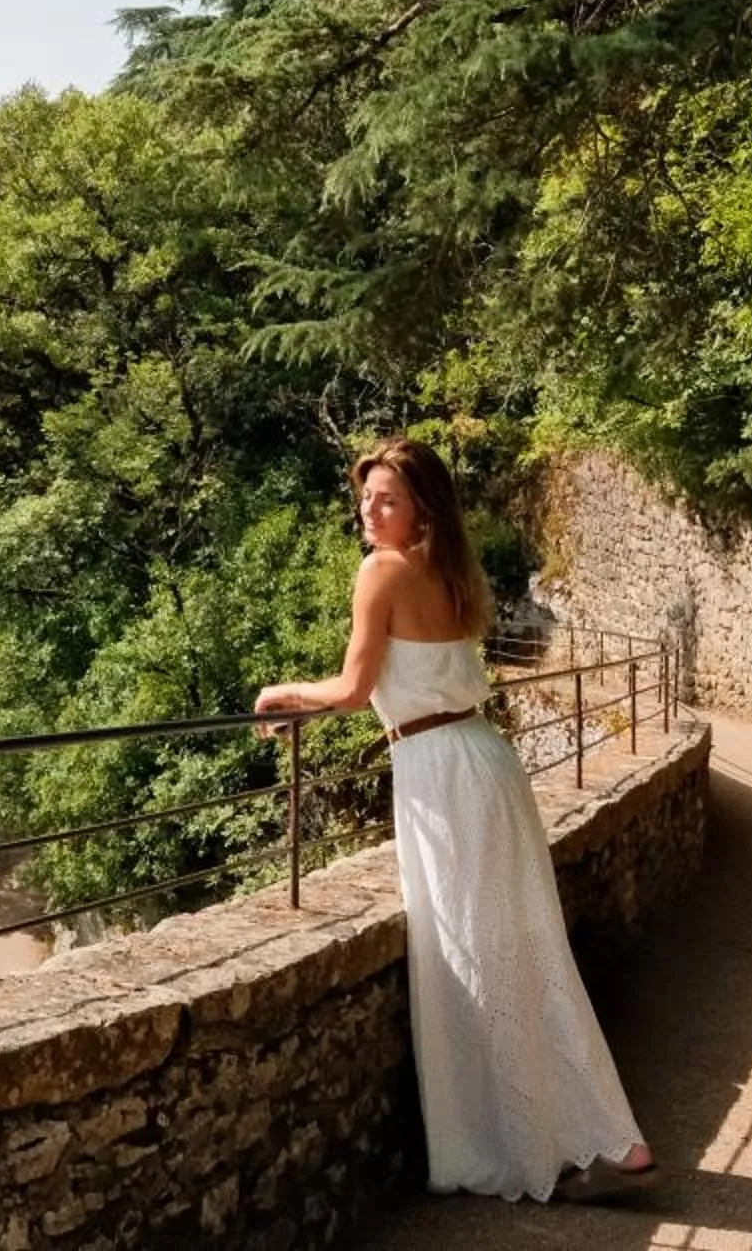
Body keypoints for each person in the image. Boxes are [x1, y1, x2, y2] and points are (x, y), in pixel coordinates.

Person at [253, 436, 658, 1204]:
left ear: (422, 508)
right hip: (480, 758)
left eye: (388, 499)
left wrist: (283, 692)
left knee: (474, 953)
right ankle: (600, 1138)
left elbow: (350, 688)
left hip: (440, 770)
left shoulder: (381, 572)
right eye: (367, 496)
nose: (370, 512)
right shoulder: (451, 572)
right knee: (521, 948)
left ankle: (552, 1142)